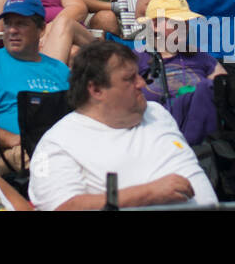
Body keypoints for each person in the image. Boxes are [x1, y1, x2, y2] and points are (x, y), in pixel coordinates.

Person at [28, 40, 217, 210]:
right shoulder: (57, 143)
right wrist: (148, 194)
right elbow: (62, 206)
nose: (142, 83)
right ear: (96, 89)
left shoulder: (157, 113)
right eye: (130, 79)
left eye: (138, 75)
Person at [133, 0, 225, 145]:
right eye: (177, 23)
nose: (185, 27)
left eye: (186, 22)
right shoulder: (137, 59)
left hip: (201, 135)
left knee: (207, 87)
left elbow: (224, 85)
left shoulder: (199, 56)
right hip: (155, 135)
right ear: (155, 25)